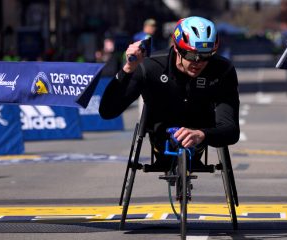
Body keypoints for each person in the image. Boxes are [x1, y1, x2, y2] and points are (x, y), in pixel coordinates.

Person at [99, 16, 240, 169]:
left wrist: (202, 134)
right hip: (161, 136)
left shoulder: (222, 70)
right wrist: (127, 69)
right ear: (176, 47)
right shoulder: (151, 66)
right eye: (192, 55)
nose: (198, 62)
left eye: (206, 55)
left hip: (200, 135)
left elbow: (231, 130)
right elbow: (108, 111)